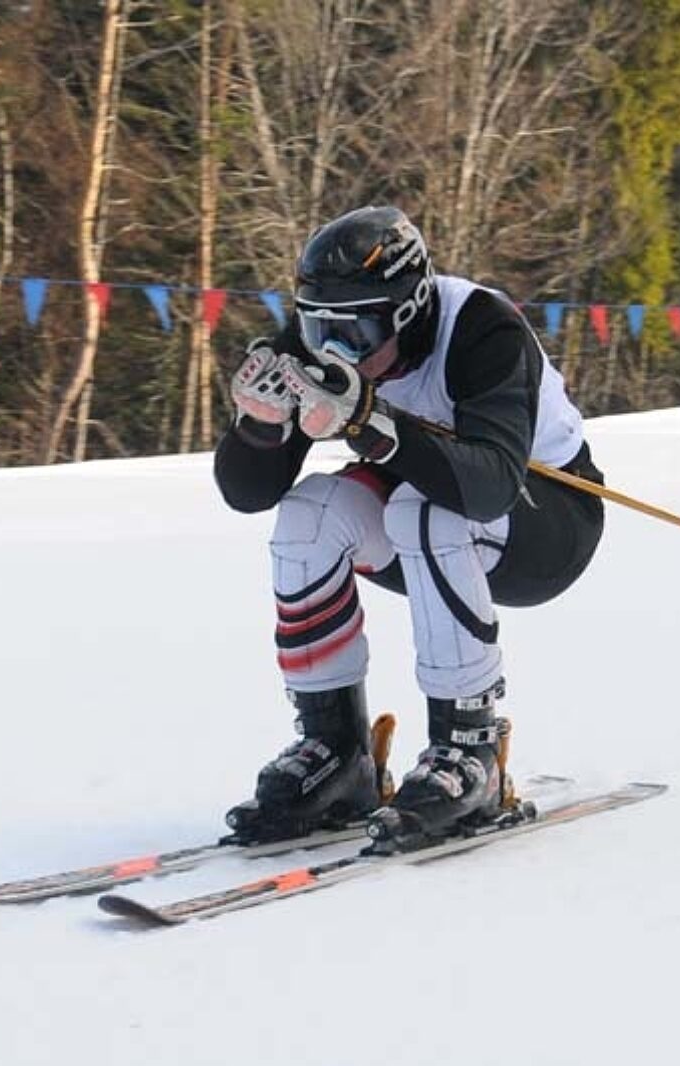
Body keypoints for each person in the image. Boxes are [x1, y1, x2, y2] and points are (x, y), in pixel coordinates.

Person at [215, 204, 605, 848]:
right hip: (430, 513)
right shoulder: (324, 339)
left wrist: (370, 422)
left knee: (424, 512)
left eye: (357, 333)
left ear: (409, 310)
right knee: (309, 516)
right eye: (317, 327)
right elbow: (247, 494)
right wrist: (259, 429)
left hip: (548, 523)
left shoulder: (482, 329)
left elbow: (489, 486)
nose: (335, 350)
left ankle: (469, 749)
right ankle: (337, 750)